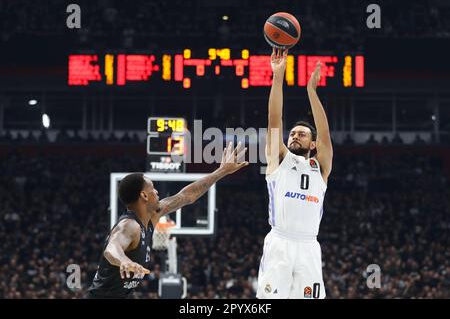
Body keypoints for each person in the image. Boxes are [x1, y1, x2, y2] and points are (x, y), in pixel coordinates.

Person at [87, 142, 248, 298]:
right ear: (144, 195)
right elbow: (112, 248)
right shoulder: (129, 225)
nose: (157, 192)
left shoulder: (153, 215)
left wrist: (222, 171)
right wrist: (122, 260)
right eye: (153, 188)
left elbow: (186, 196)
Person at [257, 48, 333, 299]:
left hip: (309, 245)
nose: (294, 135)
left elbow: (324, 133)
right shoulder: (279, 159)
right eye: (293, 133)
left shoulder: (320, 166)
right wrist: (278, 77)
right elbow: (274, 118)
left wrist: (311, 91)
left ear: (313, 144)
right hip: (280, 242)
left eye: (302, 134)